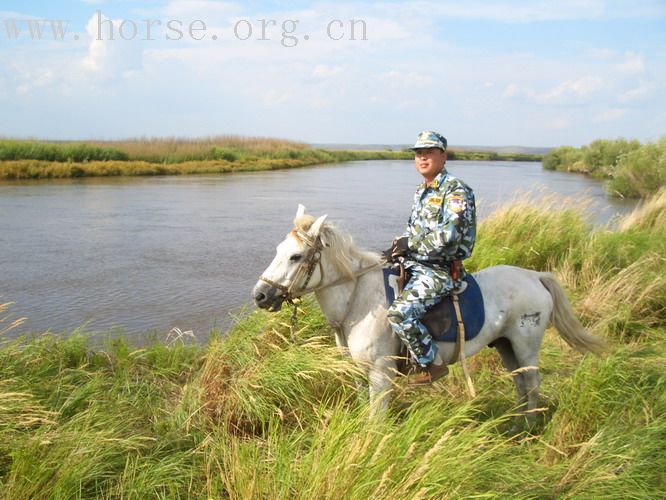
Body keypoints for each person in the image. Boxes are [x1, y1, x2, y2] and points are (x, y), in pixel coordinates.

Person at [383, 130, 477, 385]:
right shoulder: (421, 190)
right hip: (415, 264)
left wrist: (409, 244)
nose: (422, 158)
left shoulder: (455, 191)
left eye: (429, 152)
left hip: (440, 270)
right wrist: (397, 246)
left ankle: (432, 363)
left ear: (443, 156)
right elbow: (414, 230)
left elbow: (449, 235)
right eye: (418, 154)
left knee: (400, 314)